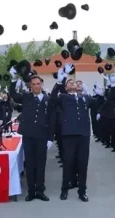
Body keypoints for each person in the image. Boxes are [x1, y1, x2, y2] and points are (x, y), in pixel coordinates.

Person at [50, 64, 99, 202]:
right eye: (69, 82)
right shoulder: (64, 97)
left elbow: (99, 103)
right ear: (66, 88)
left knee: (83, 163)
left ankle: (82, 191)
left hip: (83, 134)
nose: (72, 83)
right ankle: (64, 189)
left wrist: (97, 93)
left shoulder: (85, 98)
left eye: (74, 81)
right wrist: (59, 82)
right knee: (68, 162)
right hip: (69, 134)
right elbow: (53, 99)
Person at [8, 73, 54, 202]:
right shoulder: (26, 97)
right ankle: (31, 191)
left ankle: (40, 190)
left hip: (42, 136)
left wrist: (50, 138)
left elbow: (51, 119)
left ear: (41, 85)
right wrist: (13, 80)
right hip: (28, 135)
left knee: (41, 164)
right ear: (30, 86)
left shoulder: (47, 99)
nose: (36, 86)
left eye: (38, 84)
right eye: (33, 85)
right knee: (29, 164)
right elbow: (14, 95)